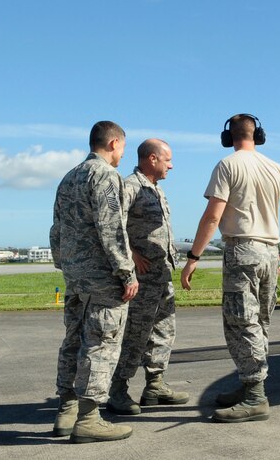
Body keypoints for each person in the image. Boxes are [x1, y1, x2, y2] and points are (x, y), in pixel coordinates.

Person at [181, 114, 280, 423]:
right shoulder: (275, 167)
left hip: (242, 250)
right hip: (271, 254)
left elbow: (212, 217)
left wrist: (193, 257)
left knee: (240, 323)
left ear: (228, 137)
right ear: (257, 135)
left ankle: (255, 396)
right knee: (259, 322)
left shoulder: (228, 166)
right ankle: (249, 386)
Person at [50, 120, 139, 443]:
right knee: (101, 343)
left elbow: (56, 229)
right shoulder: (106, 176)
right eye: (123, 148)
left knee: (73, 341)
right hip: (102, 279)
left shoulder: (69, 177)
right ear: (114, 143)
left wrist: (66, 266)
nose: (122, 156)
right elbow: (112, 228)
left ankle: (66, 410)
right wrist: (126, 272)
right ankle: (89, 418)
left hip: (75, 277)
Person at [106, 139, 190, 415]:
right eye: (168, 159)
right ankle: (118, 389)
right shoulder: (130, 186)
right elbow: (111, 223)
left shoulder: (156, 189)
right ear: (152, 159)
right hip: (141, 278)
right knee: (135, 334)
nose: (172, 165)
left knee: (164, 331)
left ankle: (155, 385)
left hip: (161, 275)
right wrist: (130, 255)